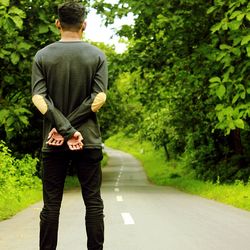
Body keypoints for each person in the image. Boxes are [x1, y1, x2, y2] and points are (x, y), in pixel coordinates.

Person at [31, 1, 108, 250]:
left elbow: (38, 99)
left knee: (51, 205)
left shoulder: (42, 56)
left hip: (53, 141)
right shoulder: (97, 56)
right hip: (89, 141)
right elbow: (98, 99)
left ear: (57, 24)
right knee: (93, 203)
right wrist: (73, 130)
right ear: (84, 25)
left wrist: (63, 129)